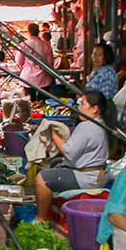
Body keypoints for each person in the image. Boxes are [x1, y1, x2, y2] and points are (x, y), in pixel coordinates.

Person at [35, 91, 110, 223]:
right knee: (55, 164)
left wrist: (53, 134)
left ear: (94, 109)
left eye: (83, 104)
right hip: (97, 174)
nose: (79, 107)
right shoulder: (99, 123)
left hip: (87, 177)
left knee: (42, 178)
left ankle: (41, 218)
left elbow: (68, 152)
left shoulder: (88, 126)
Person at [16, 23, 53, 102]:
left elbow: (18, 61)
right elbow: (50, 62)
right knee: (43, 103)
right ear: (38, 31)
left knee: (29, 104)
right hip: (44, 78)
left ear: (29, 32)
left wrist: (24, 66)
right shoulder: (46, 45)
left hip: (28, 78)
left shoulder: (24, 44)